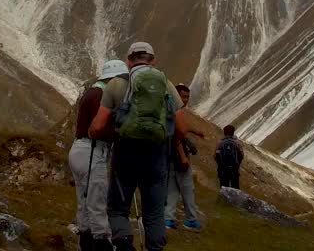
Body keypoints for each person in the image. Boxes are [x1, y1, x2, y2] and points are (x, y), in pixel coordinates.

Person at [89, 42, 187, 251]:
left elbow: (97, 128)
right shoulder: (166, 85)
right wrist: (170, 142)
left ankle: (124, 245)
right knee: (154, 213)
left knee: (117, 209)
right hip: (156, 156)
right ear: (153, 60)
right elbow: (181, 128)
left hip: (125, 154)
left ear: (129, 61)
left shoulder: (116, 84)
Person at [70, 59, 128, 251]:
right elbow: (99, 128)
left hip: (82, 150)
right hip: (92, 150)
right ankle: (101, 242)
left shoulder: (93, 91)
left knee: (85, 201)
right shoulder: (101, 95)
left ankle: (86, 242)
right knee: (97, 201)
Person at [164, 83, 206, 231]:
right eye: (184, 96)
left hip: (167, 156)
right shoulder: (176, 110)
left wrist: (196, 132)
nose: (186, 100)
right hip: (177, 156)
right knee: (187, 188)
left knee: (172, 188)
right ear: (177, 95)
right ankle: (191, 220)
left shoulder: (168, 107)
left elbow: (184, 128)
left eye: (188, 97)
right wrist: (183, 157)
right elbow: (178, 136)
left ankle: (168, 219)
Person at [214, 125, 244, 190]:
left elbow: (215, 156)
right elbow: (241, 155)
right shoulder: (237, 143)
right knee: (235, 188)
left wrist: (220, 164)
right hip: (234, 170)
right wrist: (237, 164)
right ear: (233, 133)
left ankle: (223, 200)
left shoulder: (220, 142)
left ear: (224, 132)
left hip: (223, 170)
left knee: (224, 189)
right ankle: (235, 200)